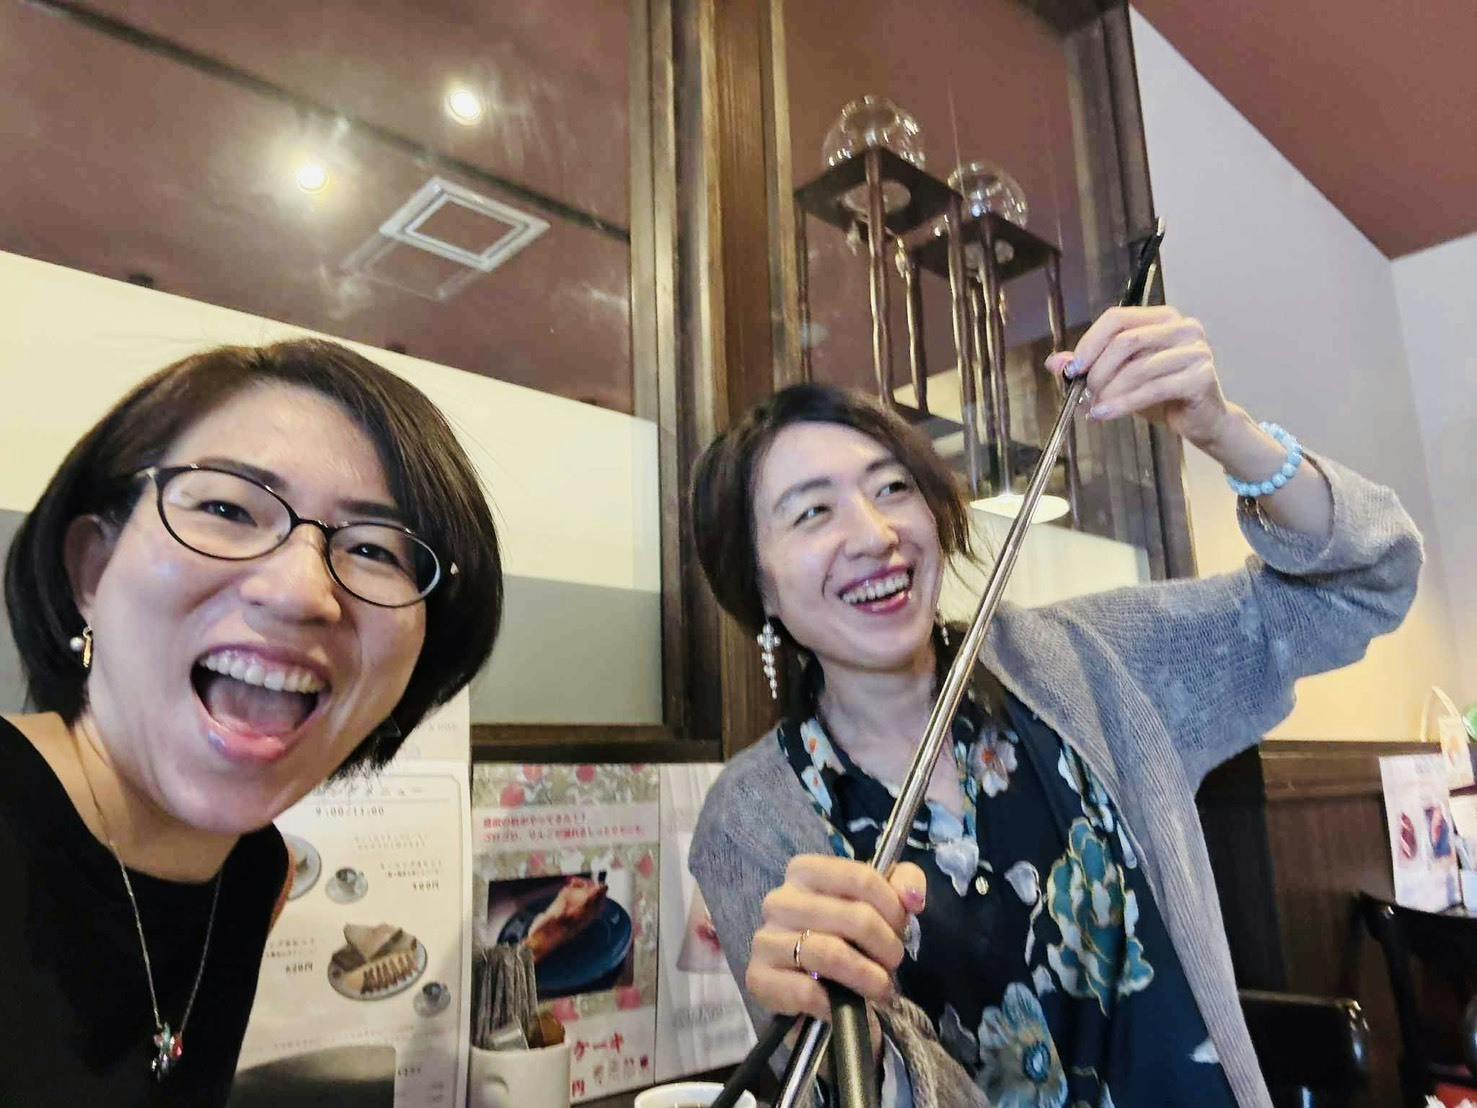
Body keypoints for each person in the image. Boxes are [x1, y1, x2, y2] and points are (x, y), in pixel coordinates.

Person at [688, 305, 1422, 1108]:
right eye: (811, 512)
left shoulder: (1089, 662)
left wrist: (1224, 431)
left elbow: (1362, 586)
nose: (874, 533)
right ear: (757, 584)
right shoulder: (748, 821)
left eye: (892, 487)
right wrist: (848, 1040)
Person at [1, 339, 503, 1104]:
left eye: (374, 549)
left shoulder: (251, 872)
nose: (301, 591)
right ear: (92, 568)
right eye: (228, 510)